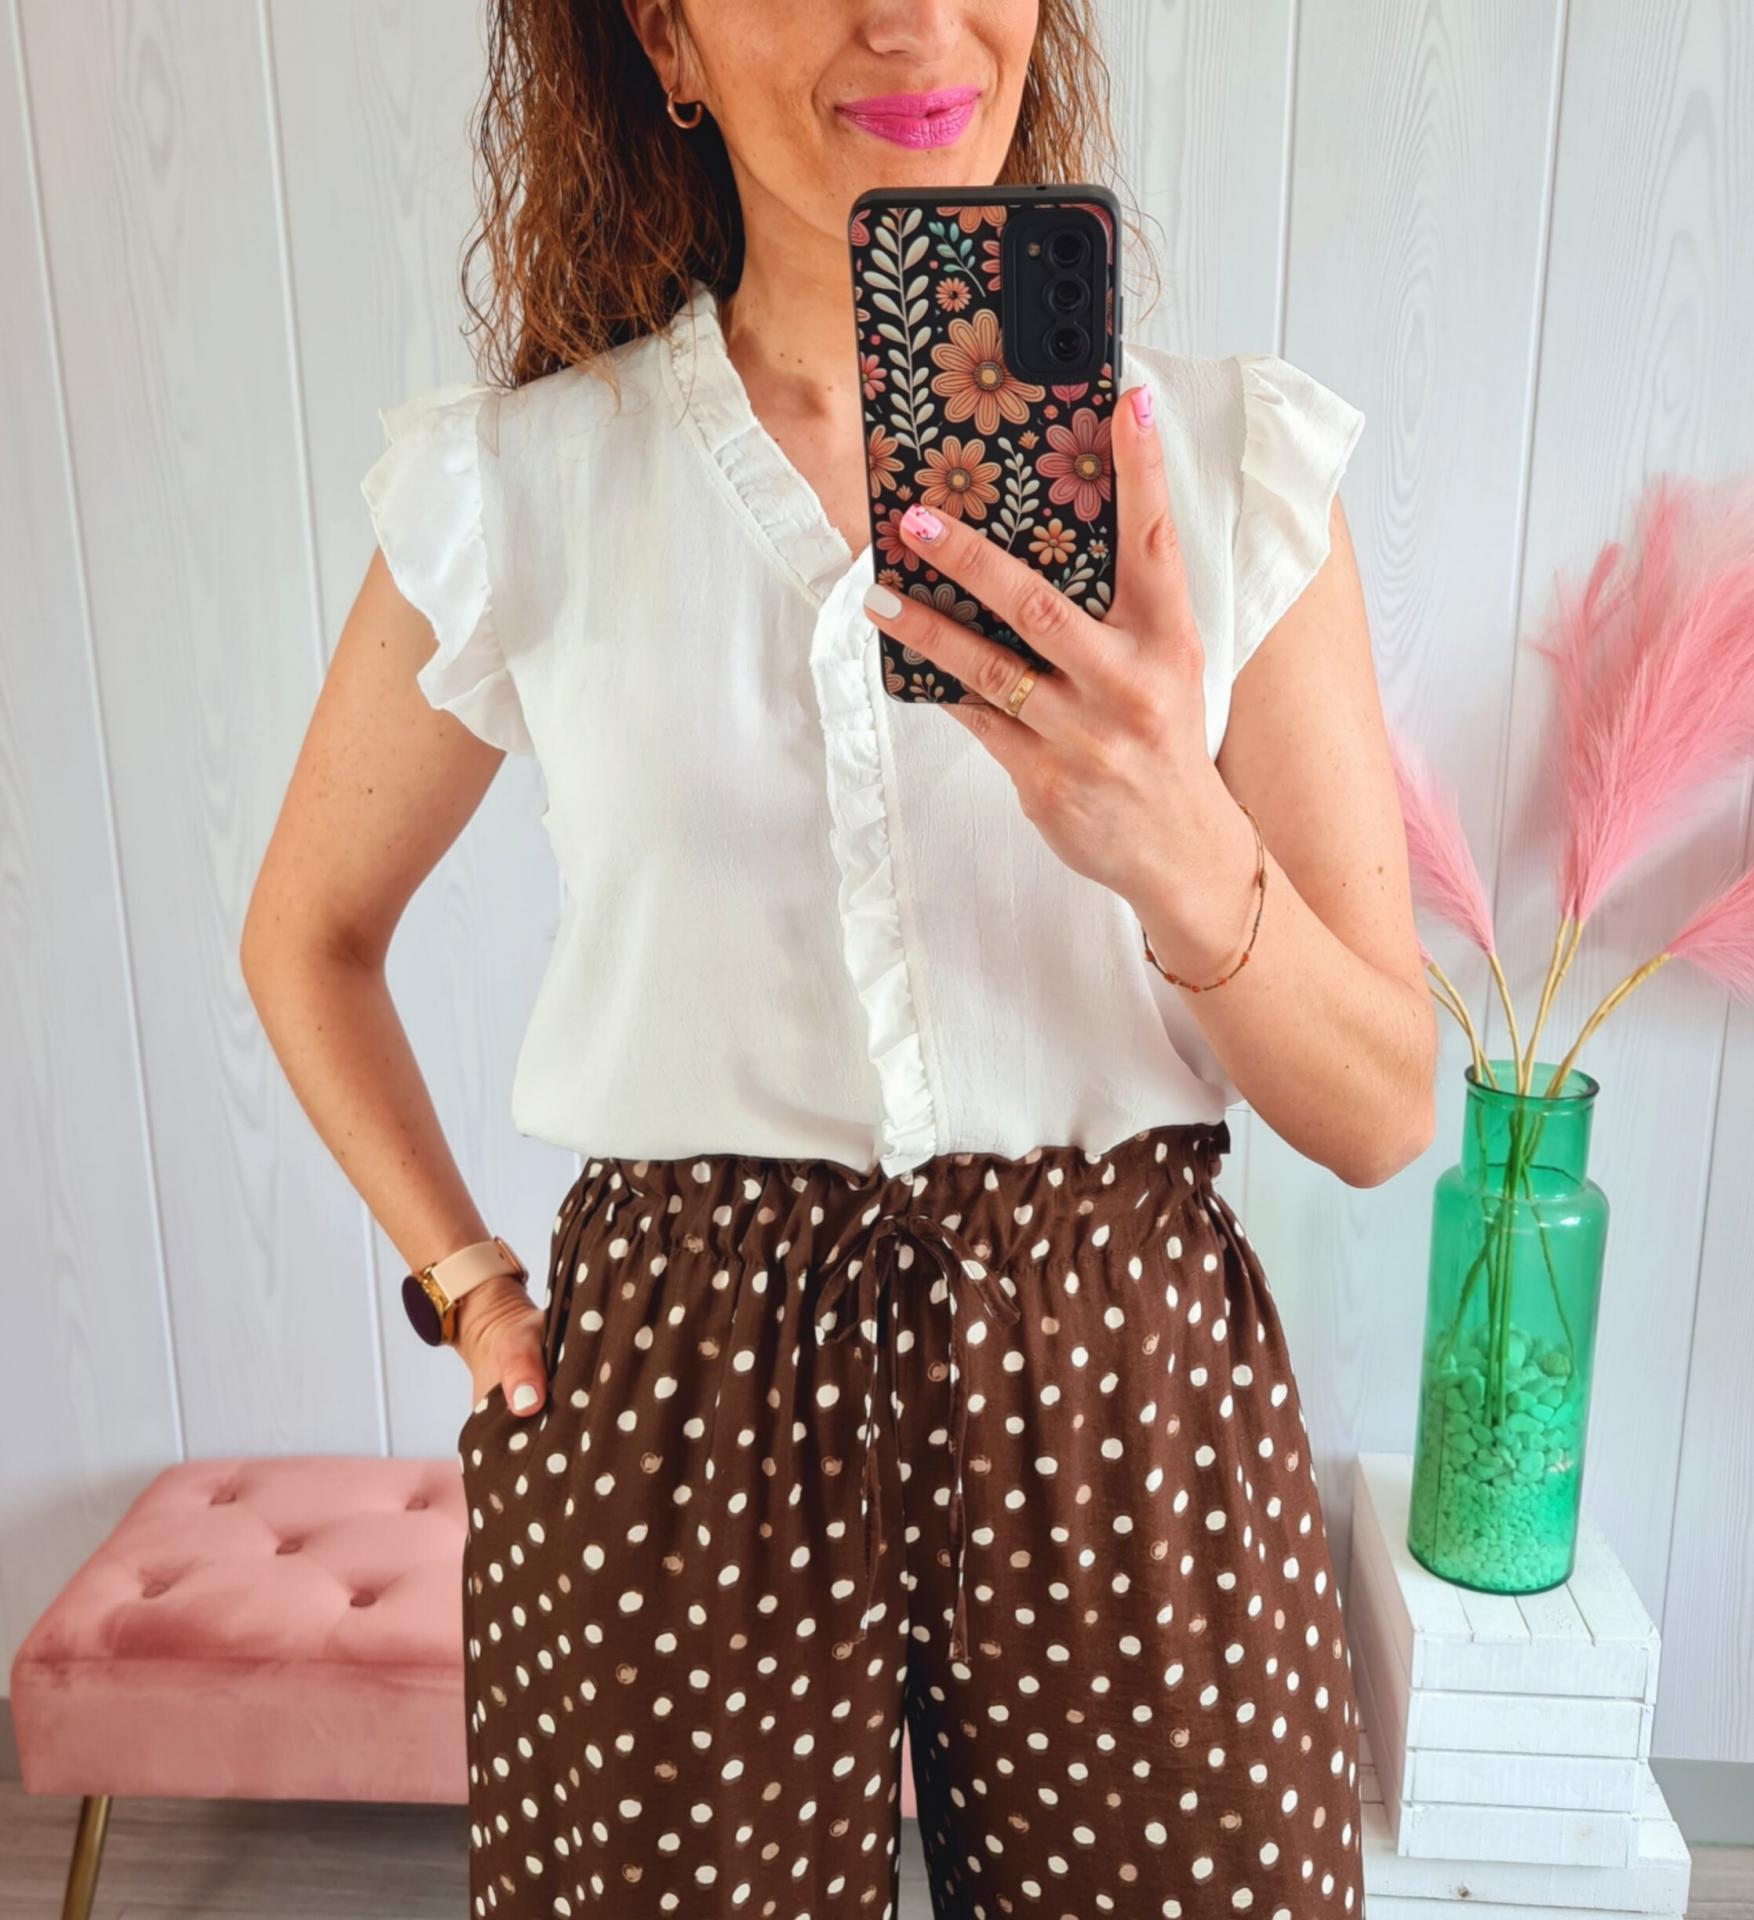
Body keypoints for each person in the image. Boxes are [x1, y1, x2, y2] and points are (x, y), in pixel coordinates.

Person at [242, 1, 1435, 1913]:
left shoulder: (1225, 466)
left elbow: (1379, 1115)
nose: (907, 19)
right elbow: (309, 933)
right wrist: (466, 1285)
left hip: (1120, 1376)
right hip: (681, 1389)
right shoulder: (520, 487)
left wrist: (1174, 835)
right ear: (666, 37)